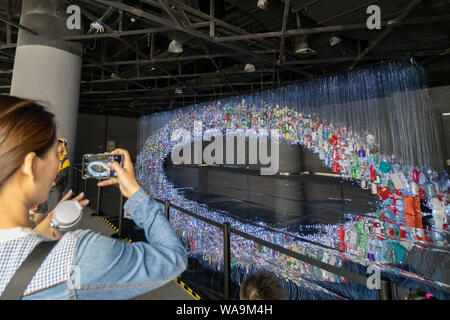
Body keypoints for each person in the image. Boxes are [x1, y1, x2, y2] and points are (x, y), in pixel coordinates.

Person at [0, 95, 187, 300]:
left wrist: (44, 230)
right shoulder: (78, 257)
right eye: (55, 153)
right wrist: (136, 194)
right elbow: (173, 259)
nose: (58, 161)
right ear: (31, 165)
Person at [34, 138, 70, 224]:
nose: (57, 146)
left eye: (59, 145)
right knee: (37, 218)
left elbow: (62, 176)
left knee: (52, 215)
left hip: (55, 189)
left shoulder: (65, 161)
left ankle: (51, 234)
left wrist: (52, 184)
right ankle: (41, 232)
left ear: (63, 148)